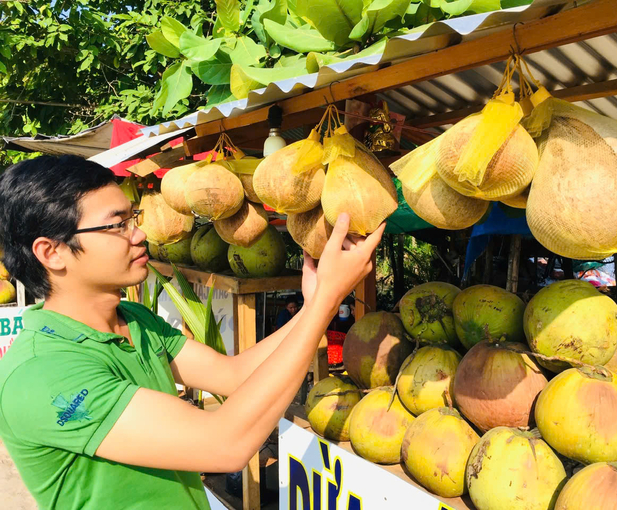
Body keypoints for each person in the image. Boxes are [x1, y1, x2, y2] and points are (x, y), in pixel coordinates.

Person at [0, 155, 385, 510]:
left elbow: (233, 376)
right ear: (51, 252)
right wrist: (325, 303)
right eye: (118, 225)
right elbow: (224, 443)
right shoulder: (42, 374)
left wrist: (317, 303)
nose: (138, 234)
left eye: (133, 219)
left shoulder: (132, 318)